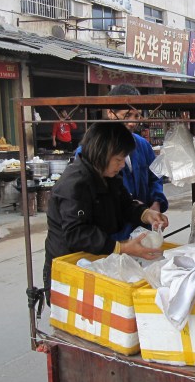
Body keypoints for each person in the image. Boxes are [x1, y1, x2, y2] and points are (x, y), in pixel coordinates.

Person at [44, 122, 169, 300]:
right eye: (118, 160)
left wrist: (146, 214)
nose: (121, 166)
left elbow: (125, 203)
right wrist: (122, 248)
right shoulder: (75, 184)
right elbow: (78, 233)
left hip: (95, 262)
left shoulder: (108, 177)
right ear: (101, 153)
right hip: (69, 268)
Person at [85, 83, 168, 241]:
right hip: (111, 234)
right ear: (110, 113)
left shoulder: (142, 145)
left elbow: (155, 176)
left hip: (142, 227)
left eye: (136, 116)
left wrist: (156, 203)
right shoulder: (91, 149)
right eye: (127, 115)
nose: (132, 122)